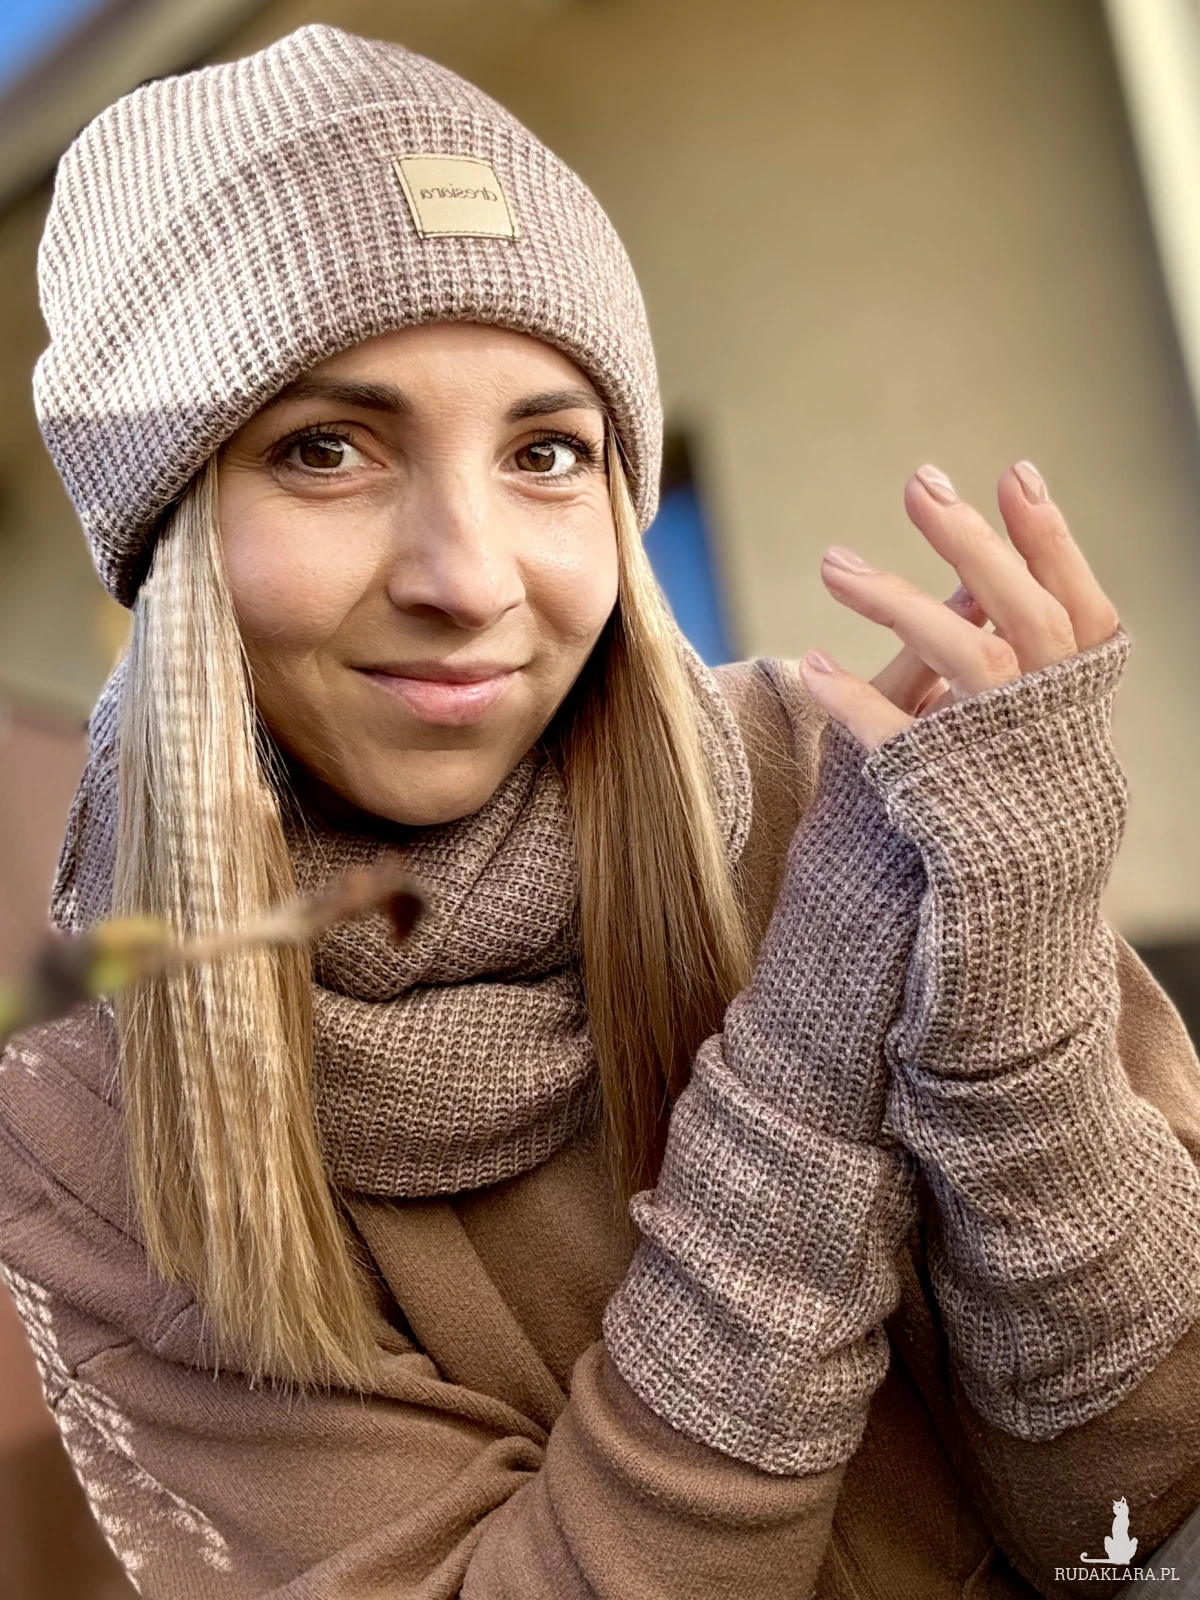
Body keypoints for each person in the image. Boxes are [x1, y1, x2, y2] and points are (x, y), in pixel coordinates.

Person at [1, 22, 1198, 1599]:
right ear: (165, 536)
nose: (469, 577)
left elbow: (1127, 1525)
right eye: (326, 449)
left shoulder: (849, 787)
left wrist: (1019, 1019)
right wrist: (805, 1059)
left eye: (548, 450)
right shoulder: (88, 1127)